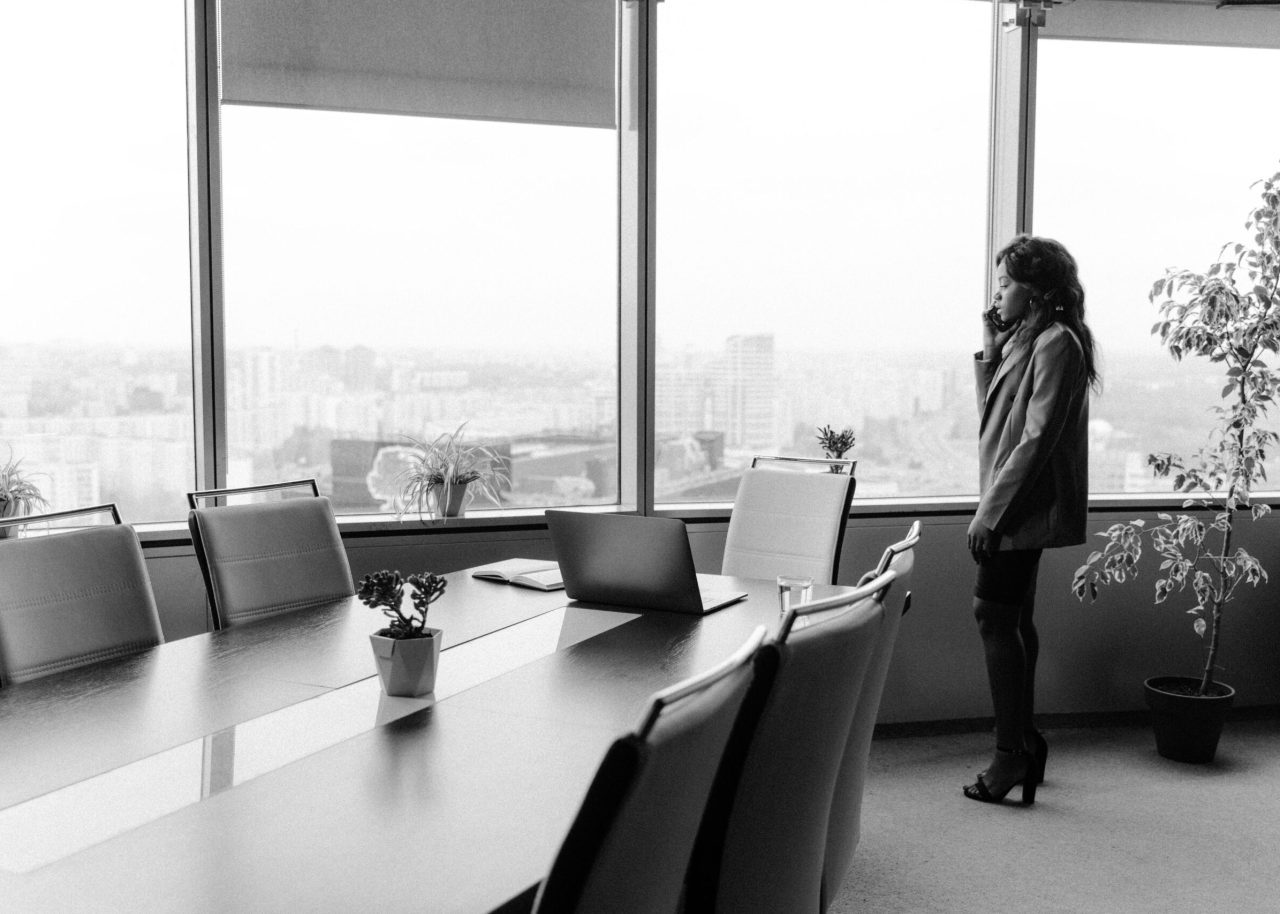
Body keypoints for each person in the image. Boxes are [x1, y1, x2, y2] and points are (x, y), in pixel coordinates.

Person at [963, 235, 1099, 805]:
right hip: (1014, 499)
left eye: (1005, 283)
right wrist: (991, 351)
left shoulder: (1056, 344)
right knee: (1012, 619)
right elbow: (996, 424)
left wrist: (991, 514)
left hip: (1021, 504)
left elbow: (1038, 440)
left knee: (993, 617)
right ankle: (1024, 741)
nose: (997, 293)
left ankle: (1010, 754)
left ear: (1037, 290)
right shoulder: (1030, 339)